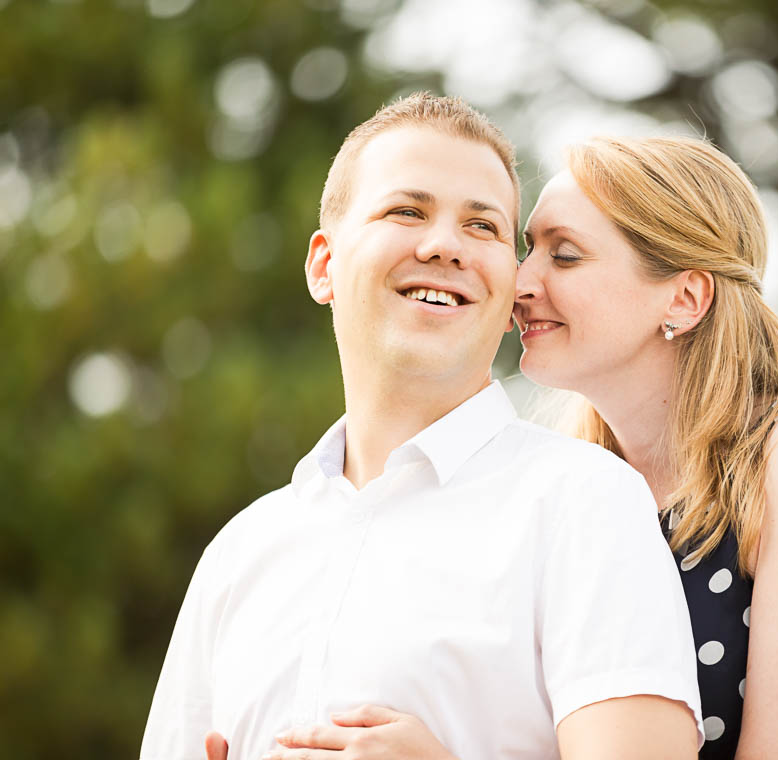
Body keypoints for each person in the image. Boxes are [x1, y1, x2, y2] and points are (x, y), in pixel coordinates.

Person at [291, 134, 778, 760]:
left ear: (684, 298)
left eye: (565, 255)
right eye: (529, 250)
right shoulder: (567, 487)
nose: (520, 285)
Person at [139, 96, 703, 760]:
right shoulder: (239, 554)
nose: (444, 246)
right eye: (407, 211)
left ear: (508, 297)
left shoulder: (584, 503)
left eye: (483, 227)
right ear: (324, 266)